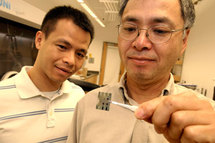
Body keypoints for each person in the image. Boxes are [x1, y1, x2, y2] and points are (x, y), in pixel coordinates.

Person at [66, 0, 215, 143]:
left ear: (184, 41)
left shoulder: (208, 121)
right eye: (130, 28)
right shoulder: (87, 106)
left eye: (159, 30)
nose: (140, 43)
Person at [0, 6, 94, 143]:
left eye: (79, 54)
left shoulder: (78, 96)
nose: (70, 60)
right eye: (62, 47)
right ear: (39, 40)